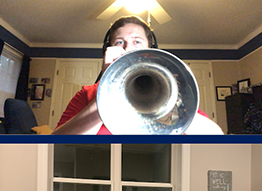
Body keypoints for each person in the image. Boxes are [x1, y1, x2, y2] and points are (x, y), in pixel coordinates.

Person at [53, 16, 223, 135]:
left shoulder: (170, 90)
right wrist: (105, 94)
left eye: (137, 41)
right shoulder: (87, 94)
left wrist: (175, 105)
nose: (128, 48)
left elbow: (216, 139)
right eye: (119, 42)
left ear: (150, 50)